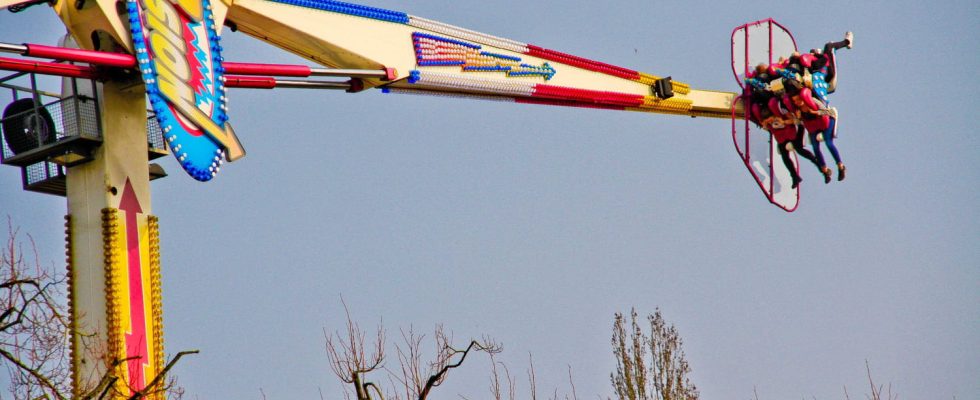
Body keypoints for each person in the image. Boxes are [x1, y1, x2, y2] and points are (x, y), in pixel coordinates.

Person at [757, 98, 823, 189]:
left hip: (795, 129)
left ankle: (818, 163)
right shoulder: (769, 123)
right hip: (783, 136)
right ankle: (794, 176)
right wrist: (765, 125)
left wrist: (784, 121)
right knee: (784, 156)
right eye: (768, 121)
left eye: (770, 119)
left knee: (799, 149)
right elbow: (768, 126)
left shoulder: (782, 113)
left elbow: (796, 120)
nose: (770, 121)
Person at [783, 86, 845, 182]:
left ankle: (840, 166)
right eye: (794, 101)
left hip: (826, 121)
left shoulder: (813, 101)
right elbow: (799, 122)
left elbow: (827, 111)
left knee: (829, 143)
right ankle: (825, 171)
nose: (797, 102)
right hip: (813, 126)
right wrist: (797, 118)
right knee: (815, 147)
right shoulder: (798, 110)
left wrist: (814, 112)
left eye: (798, 99)